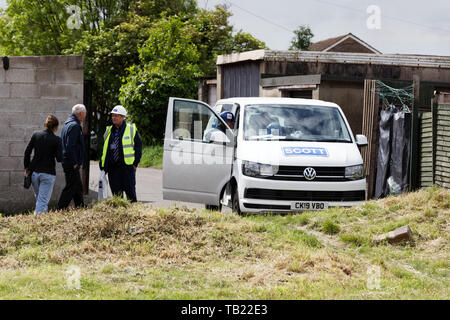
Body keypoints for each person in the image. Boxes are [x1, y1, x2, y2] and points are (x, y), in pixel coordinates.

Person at [100, 105, 142, 202]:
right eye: (113, 116)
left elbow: (139, 147)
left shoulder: (131, 129)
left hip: (127, 168)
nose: (113, 118)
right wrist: (103, 166)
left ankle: (133, 215)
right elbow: (104, 150)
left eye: (116, 116)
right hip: (113, 169)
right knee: (117, 197)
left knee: (131, 195)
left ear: (122, 117)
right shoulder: (108, 131)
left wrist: (135, 163)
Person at [24, 115, 63, 215]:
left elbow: (27, 152)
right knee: (42, 201)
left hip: (34, 172)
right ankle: (36, 224)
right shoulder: (57, 140)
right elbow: (59, 159)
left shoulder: (36, 135)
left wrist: (27, 167)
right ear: (55, 127)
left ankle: (44, 221)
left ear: (46, 124)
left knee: (40, 199)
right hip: (48, 173)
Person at [58, 104, 86, 210]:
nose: (85, 115)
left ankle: (80, 207)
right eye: (85, 113)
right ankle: (60, 208)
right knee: (71, 186)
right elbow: (71, 145)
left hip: (69, 161)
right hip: (71, 162)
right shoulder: (74, 125)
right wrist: (75, 162)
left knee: (77, 186)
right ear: (81, 113)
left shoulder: (68, 124)